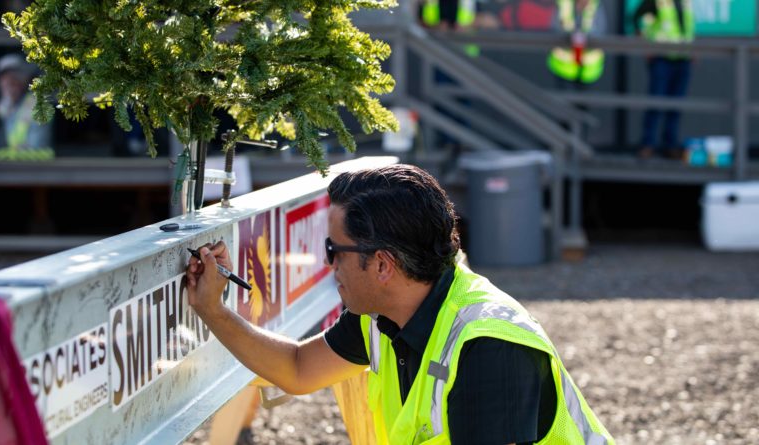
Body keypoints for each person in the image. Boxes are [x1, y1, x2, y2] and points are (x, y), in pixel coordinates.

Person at [186, 164, 613, 444]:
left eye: (334, 249)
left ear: (384, 265)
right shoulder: (383, 313)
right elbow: (298, 369)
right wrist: (213, 310)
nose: (327, 263)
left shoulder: (489, 349)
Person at [633, 0, 695, 159]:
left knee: (676, 105)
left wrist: (693, 50)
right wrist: (647, 47)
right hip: (662, 59)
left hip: (683, 59)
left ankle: (670, 145)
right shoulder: (657, 1)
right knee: (656, 102)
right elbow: (635, 18)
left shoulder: (686, 2)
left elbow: (687, 28)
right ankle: (648, 144)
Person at [0, 53, 51, 150]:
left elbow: (37, 149)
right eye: (5, 77)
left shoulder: (38, 106)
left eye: (15, 76)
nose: (10, 81)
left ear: (26, 79)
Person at [547, 0, 606, 87]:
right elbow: (554, 29)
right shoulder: (564, 3)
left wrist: (585, 37)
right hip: (562, 67)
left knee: (585, 98)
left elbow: (601, 32)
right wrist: (570, 36)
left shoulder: (595, 5)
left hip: (589, 70)